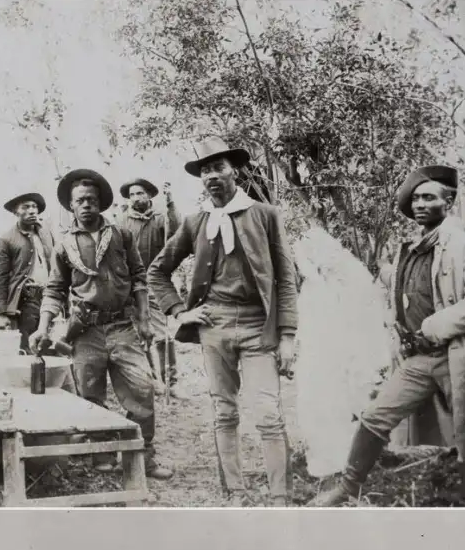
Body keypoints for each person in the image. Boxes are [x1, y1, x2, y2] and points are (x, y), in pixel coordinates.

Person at [311, 164, 465, 508]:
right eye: (416, 198)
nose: (419, 204)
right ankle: (349, 488)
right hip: (418, 358)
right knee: (376, 415)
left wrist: (436, 325)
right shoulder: (411, 248)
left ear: (448, 203)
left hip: (459, 354)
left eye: (429, 198)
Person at [148, 138, 299, 505]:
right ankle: (234, 491)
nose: (212, 176)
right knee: (224, 410)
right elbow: (157, 272)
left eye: (218, 168)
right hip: (213, 325)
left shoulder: (265, 215)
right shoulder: (196, 222)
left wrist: (288, 335)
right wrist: (180, 312)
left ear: (236, 170)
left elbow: (287, 277)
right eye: (204, 171)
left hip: (257, 325)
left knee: (267, 412)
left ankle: (280, 495)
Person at [30, 168, 173, 480]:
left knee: (142, 390)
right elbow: (54, 289)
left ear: (101, 204)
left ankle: (143, 456)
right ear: (71, 206)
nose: (86, 206)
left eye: (92, 200)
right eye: (80, 201)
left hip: (123, 326)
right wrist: (43, 327)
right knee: (92, 397)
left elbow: (139, 277)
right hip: (86, 330)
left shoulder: (121, 234)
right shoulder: (64, 244)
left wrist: (145, 319)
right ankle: (102, 454)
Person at [117, 177, 187, 399]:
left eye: (140, 193)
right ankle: (153, 378)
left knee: (162, 335)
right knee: (141, 334)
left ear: (149, 195)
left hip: (155, 282)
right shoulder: (122, 221)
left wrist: (170, 203)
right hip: (131, 285)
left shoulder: (161, 218)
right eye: (132, 195)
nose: (136, 198)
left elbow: (178, 232)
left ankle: (172, 381)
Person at [0, 191, 55, 354]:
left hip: (49, 297)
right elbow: (0, 277)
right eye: (25, 207)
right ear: (16, 212)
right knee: (29, 350)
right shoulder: (6, 240)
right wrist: (1, 313)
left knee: (52, 348)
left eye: (34, 206)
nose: (32, 210)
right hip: (27, 300)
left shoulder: (46, 233)